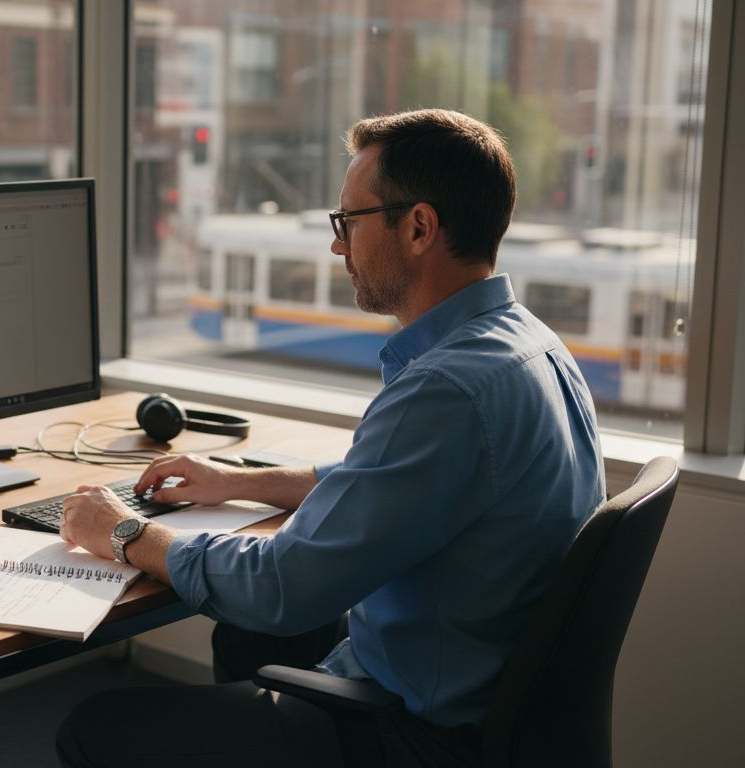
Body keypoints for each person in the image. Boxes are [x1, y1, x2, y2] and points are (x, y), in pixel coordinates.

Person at [56, 109, 605, 768]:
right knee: (242, 640)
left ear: (419, 227)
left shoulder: (447, 391)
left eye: (349, 222)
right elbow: (387, 485)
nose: (337, 246)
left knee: (95, 728)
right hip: (474, 686)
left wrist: (125, 533)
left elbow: (280, 588)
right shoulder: (528, 345)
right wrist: (239, 482)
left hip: (413, 733)